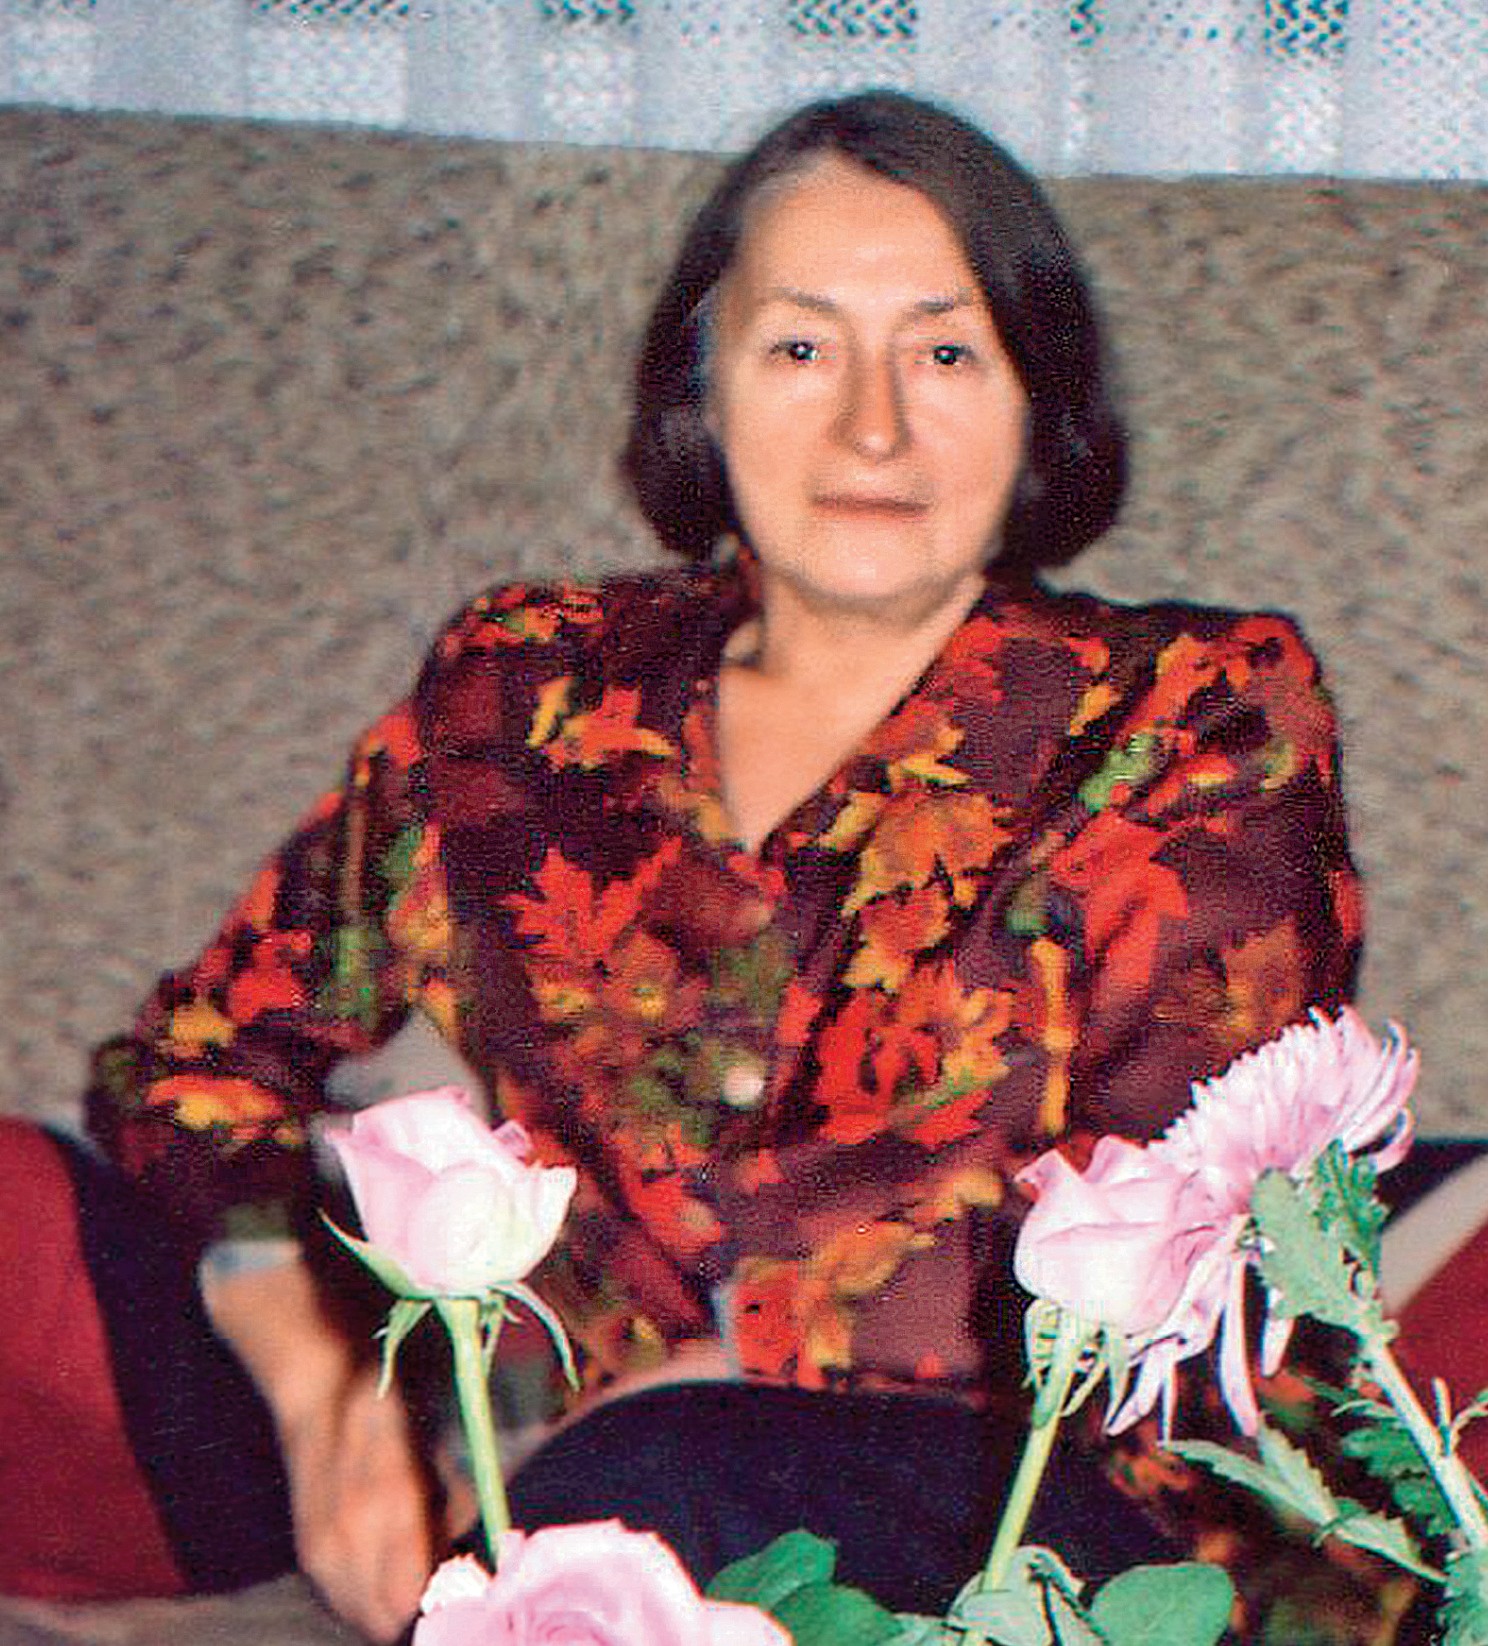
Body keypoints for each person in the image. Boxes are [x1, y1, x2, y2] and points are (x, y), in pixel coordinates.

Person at [1, 92, 1364, 1640]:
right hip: (513, 1423)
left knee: (656, 1480)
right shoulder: (521, 689)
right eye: (800, 347)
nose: (872, 426)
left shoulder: (1198, 713)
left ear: (1038, 402)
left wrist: (678, 1392)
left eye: (945, 353)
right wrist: (325, 1380)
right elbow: (197, 1063)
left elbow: (1187, 1241)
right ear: (701, 389)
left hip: (1016, 1480)